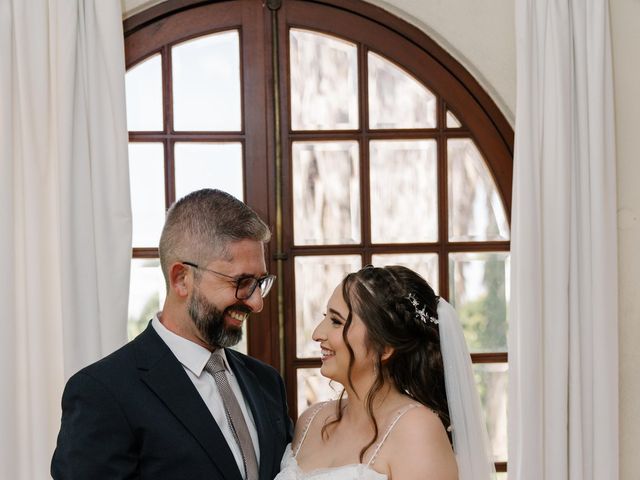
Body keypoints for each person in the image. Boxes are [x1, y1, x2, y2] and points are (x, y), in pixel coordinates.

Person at [51, 188, 293, 480]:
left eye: (260, 283)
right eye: (242, 282)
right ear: (181, 279)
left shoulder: (266, 383)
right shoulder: (102, 393)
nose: (256, 303)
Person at [275, 265, 495, 480]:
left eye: (335, 321)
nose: (317, 334)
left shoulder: (416, 430)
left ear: (385, 348)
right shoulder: (311, 420)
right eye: (325, 317)